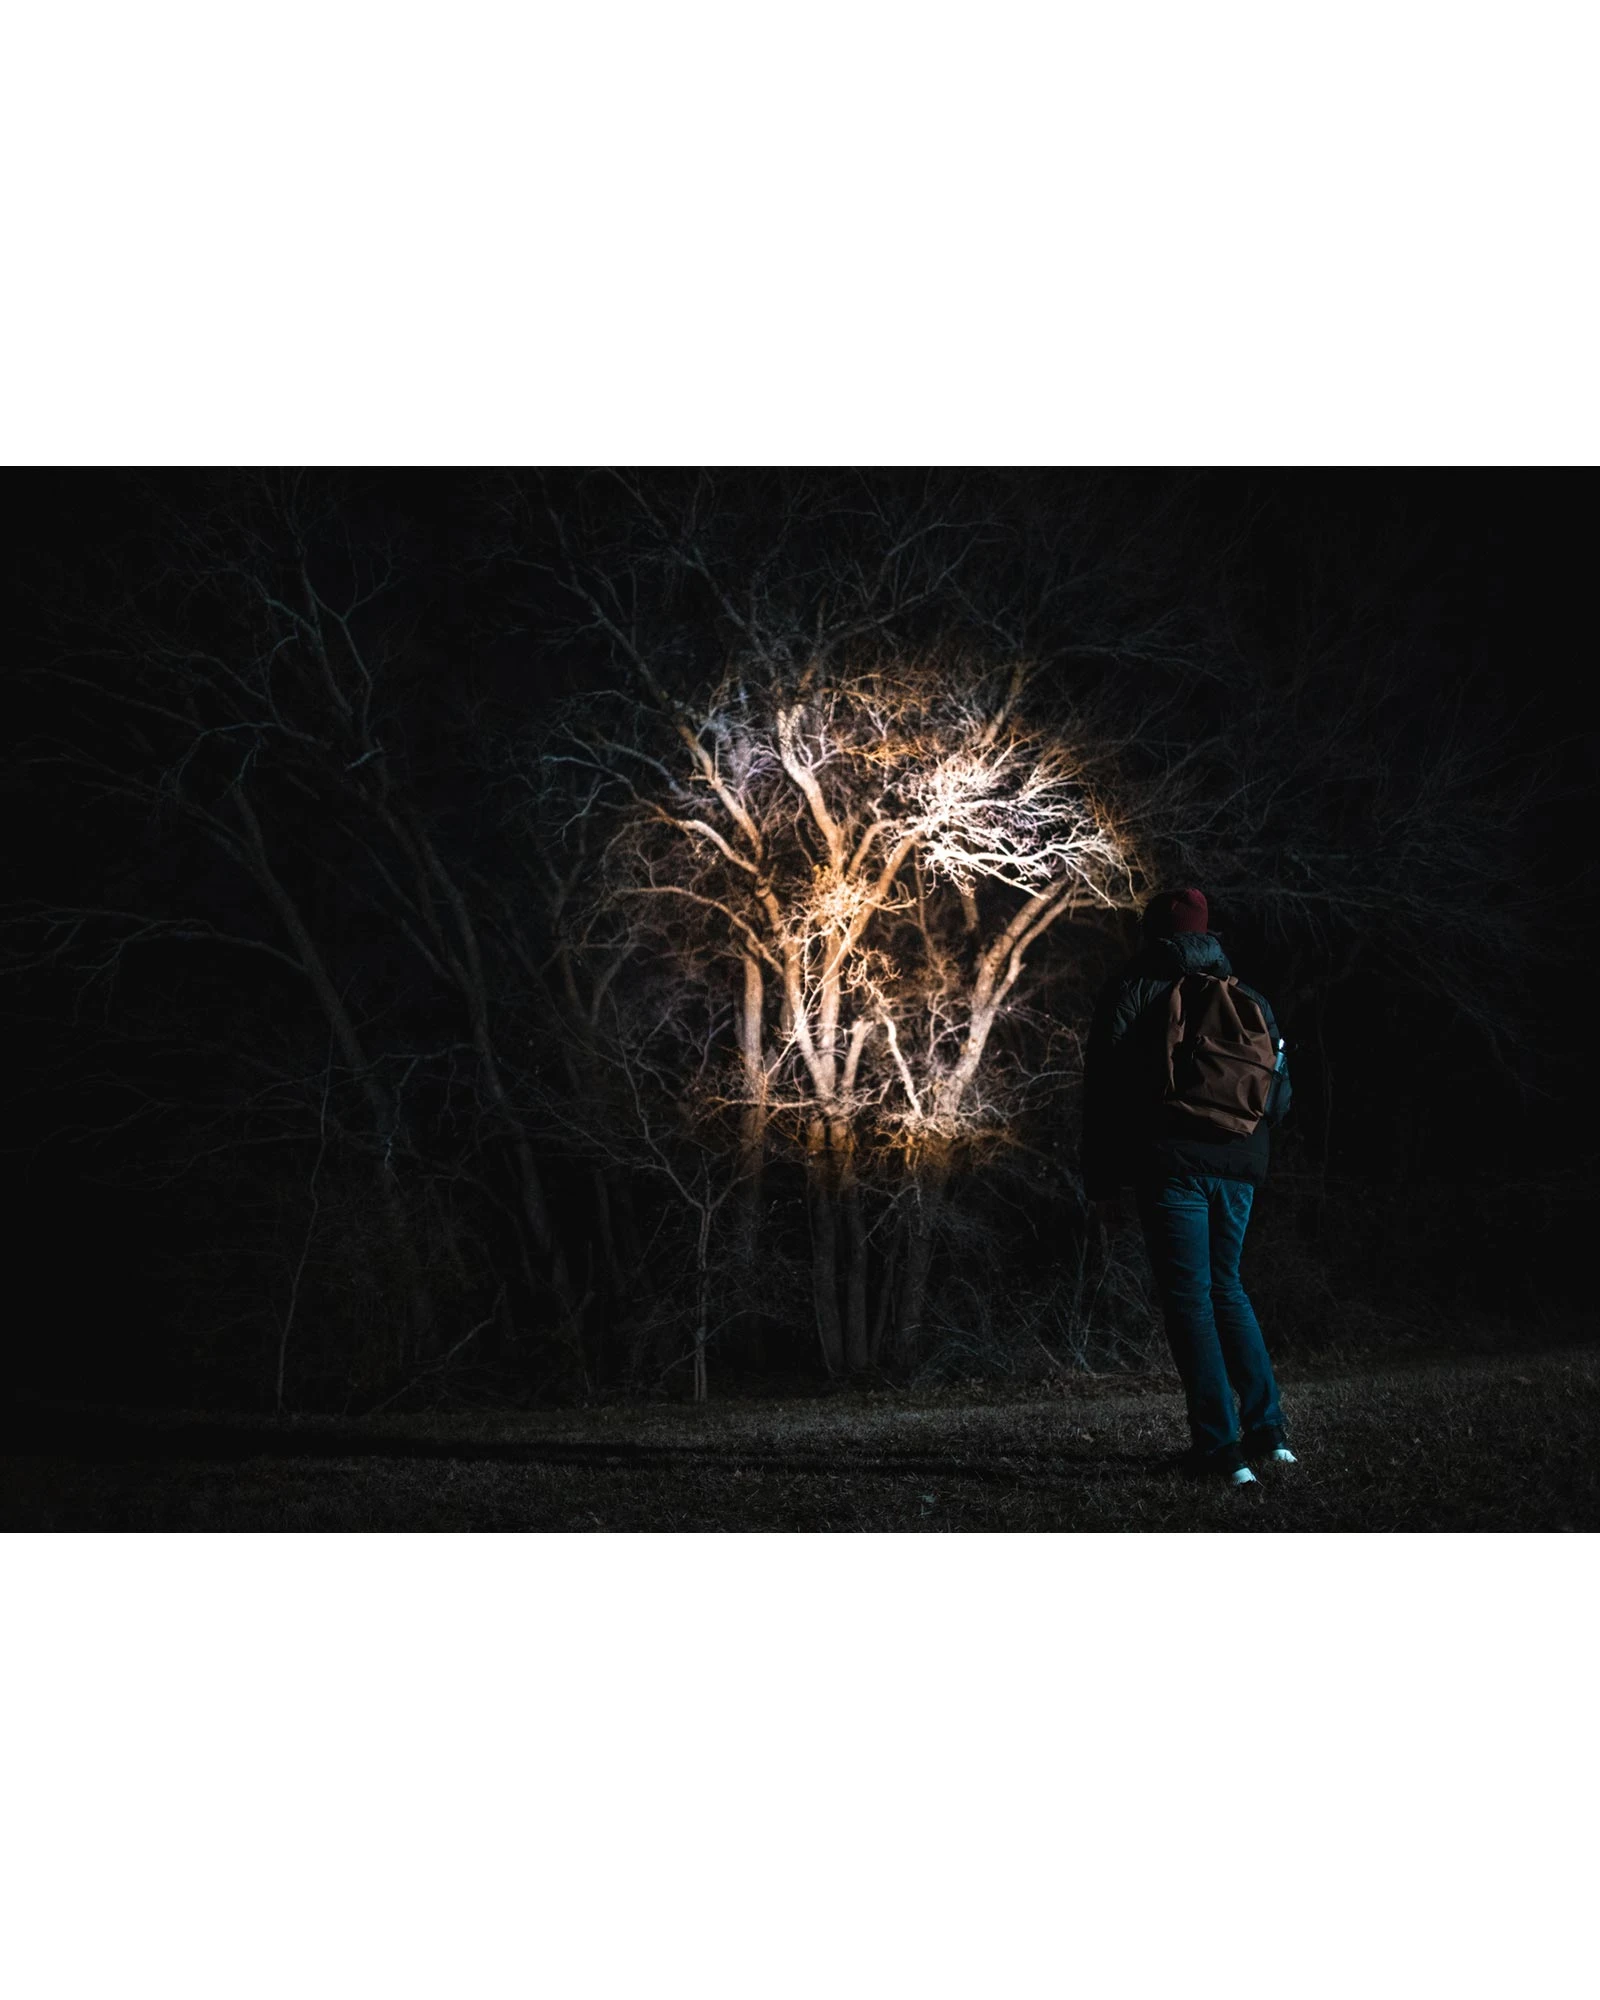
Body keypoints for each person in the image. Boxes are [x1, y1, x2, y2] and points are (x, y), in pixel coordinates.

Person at [1080, 887, 1296, 1488]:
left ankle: (1220, 1450)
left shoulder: (1133, 988)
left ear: (1151, 933)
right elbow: (1280, 1096)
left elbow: (1103, 1093)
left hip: (1171, 1163)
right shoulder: (1248, 995)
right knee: (1227, 1288)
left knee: (1190, 1301)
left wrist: (1102, 1182)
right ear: (1207, 933)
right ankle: (1269, 1436)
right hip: (1241, 1162)